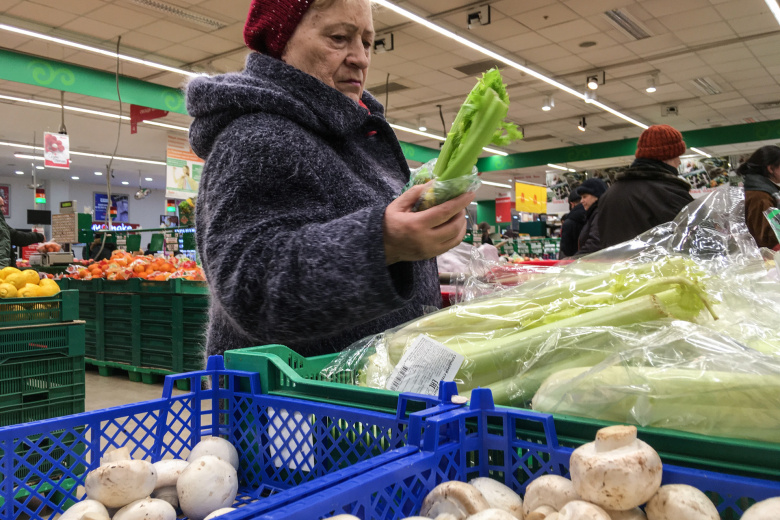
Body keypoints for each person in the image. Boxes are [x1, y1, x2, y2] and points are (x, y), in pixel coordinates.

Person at [186, 0, 474, 359]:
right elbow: (250, 289)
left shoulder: (354, 137)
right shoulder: (254, 136)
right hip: (290, 392)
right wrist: (381, 242)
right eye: (339, 38)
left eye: (367, 42)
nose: (361, 58)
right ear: (281, 41)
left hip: (363, 386)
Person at [598, 125, 693, 248]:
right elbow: (693, 237)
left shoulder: (610, 193)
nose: (679, 162)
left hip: (616, 260)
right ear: (666, 156)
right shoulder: (668, 193)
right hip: (660, 260)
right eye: (677, 156)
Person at [738, 145, 780, 250]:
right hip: (767, 255)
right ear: (771, 168)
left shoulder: (764, 191)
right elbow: (766, 236)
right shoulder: (760, 196)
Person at [0, 196, 45, 268]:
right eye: (1, 206)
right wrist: (39, 237)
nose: (3, 209)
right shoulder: (1, 226)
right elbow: (17, 237)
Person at [576, 178, 607, 256]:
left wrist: (575, 258)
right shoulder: (593, 214)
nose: (581, 201)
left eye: (584, 197)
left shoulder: (599, 214)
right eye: (581, 197)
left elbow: (595, 243)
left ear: (597, 196)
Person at [559, 190, 586, 258]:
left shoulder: (569, 222)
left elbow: (565, 249)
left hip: (574, 260)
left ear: (572, 204)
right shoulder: (592, 216)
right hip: (594, 259)